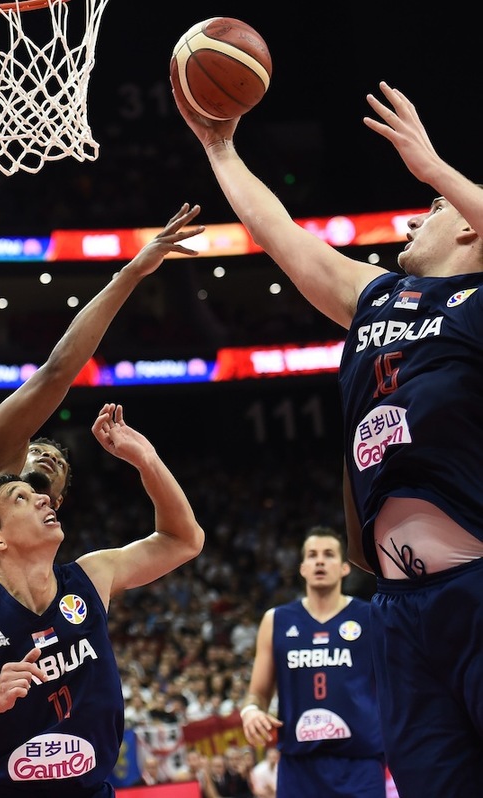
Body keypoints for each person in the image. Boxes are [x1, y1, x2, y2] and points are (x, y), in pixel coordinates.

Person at [172, 78, 483, 797]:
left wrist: (437, 170)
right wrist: (220, 150)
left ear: (470, 227)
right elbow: (282, 236)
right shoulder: (375, 295)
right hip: (399, 609)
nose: (411, 225)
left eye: (429, 212)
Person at [0, 401, 205, 797]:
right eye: (21, 497)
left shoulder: (92, 575)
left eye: (45, 496)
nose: (42, 499)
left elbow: (184, 540)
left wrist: (146, 460)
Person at [0, 201, 204, 591]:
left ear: (55, 504)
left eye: (60, 467)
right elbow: (55, 375)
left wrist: (147, 460)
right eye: (39, 451)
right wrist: (131, 273)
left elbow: (182, 541)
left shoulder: (55, 586)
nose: (51, 457)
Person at [239, 526, 385, 798]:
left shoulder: (370, 617)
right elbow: (257, 694)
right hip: (298, 766)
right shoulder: (276, 620)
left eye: (329, 554)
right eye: (312, 555)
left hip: (360, 762)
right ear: (302, 568)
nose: (319, 560)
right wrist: (251, 712)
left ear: (344, 568)